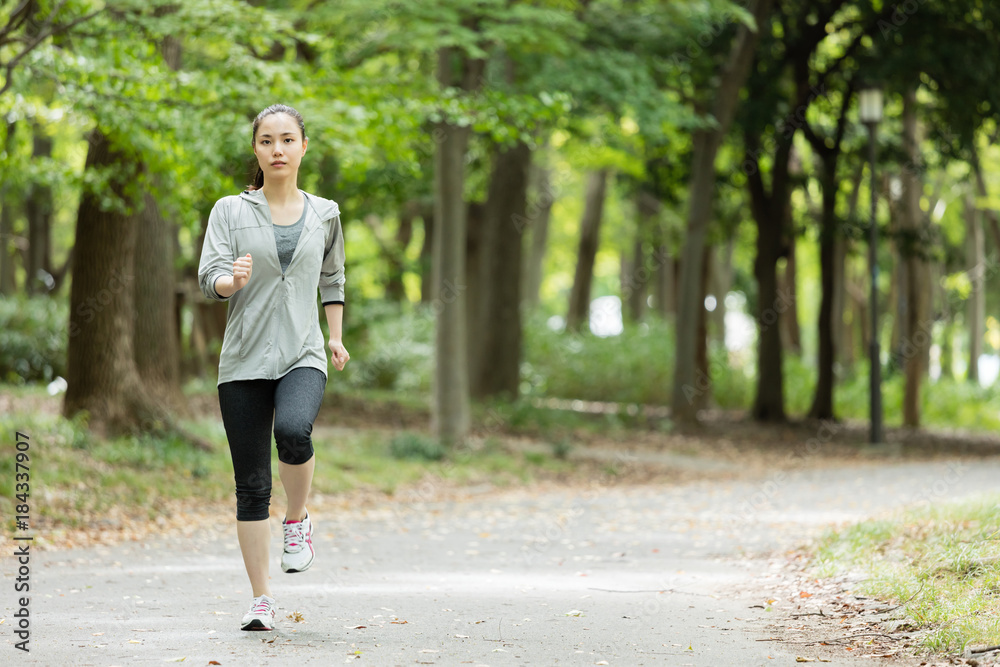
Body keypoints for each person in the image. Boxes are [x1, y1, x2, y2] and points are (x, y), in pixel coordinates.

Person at [197, 103, 349, 632]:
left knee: (292, 430)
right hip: (242, 360)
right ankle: (261, 599)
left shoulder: (326, 212)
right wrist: (229, 283)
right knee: (251, 485)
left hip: (302, 352)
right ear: (256, 150)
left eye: (287, 140)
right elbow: (208, 275)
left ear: (304, 146)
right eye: (267, 141)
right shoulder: (229, 211)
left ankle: (297, 519)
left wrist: (334, 336)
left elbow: (333, 278)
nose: (277, 149)